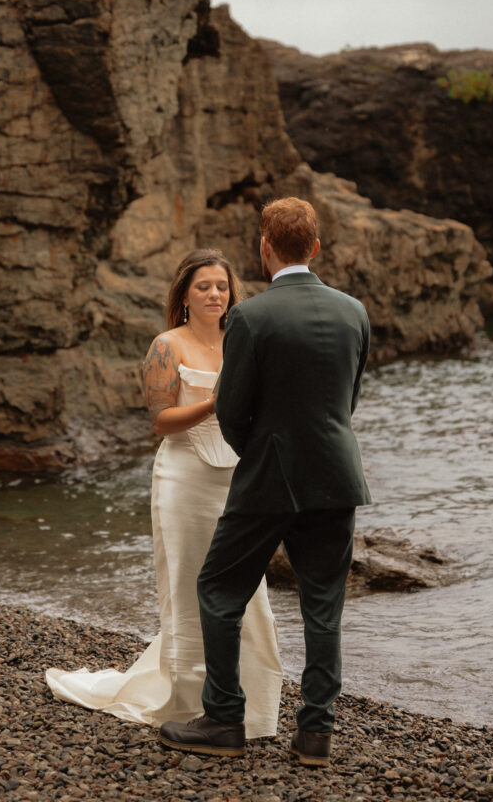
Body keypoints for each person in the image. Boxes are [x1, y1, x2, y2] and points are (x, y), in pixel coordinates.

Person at [159, 198, 371, 766]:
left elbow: (231, 410)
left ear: (265, 248)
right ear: (317, 247)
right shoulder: (354, 311)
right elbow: (347, 400)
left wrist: (260, 453)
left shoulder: (251, 317)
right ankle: (316, 734)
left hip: (267, 479)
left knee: (219, 590)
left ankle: (224, 719)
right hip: (337, 475)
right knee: (324, 606)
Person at [46, 249, 282, 738]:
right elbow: (159, 421)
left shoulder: (244, 339)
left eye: (221, 286)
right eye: (203, 287)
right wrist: (216, 404)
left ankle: (252, 707)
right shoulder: (166, 345)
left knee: (248, 589)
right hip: (184, 480)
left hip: (238, 479)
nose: (215, 294)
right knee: (190, 585)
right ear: (184, 295)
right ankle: (186, 702)